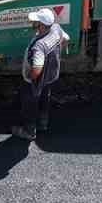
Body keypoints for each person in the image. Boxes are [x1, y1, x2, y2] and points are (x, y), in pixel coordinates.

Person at [16, 8, 66, 141]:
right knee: (45, 97)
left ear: (42, 25)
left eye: (36, 21)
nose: (33, 23)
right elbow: (66, 39)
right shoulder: (56, 28)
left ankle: (29, 131)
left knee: (30, 103)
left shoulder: (39, 46)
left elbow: (37, 68)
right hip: (51, 75)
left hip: (38, 79)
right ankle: (43, 123)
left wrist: (30, 78)